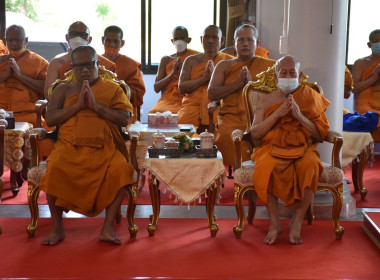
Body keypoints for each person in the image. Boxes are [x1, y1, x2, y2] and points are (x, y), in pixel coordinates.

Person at [40, 46, 135, 245]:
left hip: (105, 149)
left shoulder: (112, 88)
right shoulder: (62, 89)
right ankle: (58, 228)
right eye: (79, 66)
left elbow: (124, 118)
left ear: (97, 64)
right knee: (54, 170)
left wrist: (96, 107)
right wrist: (77, 107)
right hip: (69, 148)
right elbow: (50, 119)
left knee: (123, 170)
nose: (84, 70)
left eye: (89, 64)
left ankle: (107, 228)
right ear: (72, 67)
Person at [250, 55, 330, 245]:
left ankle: (297, 221)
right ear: (276, 77)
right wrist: (277, 115)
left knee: (310, 165)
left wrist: (300, 116)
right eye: (283, 73)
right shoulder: (265, 100)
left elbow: (320, 135)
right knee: (266, 166)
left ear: (300, 75)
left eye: (292, 72)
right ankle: (275, 223)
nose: (287, 76)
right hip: (270, 147)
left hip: (303, 148)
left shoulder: (311, 97)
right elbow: (255, 134)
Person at [208, 24, 275, 166]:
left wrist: (251, 86)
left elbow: (277, 94)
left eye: (250, 40)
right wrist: (237, 85)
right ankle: (239, 177)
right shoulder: (223, 65)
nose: (245, 44)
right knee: (228, 137)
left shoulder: (270, 67)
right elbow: (211, 93)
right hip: (231, 119)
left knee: (271, 138)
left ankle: (261, 176)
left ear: (257, 44)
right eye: (241, 40)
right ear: (234, 43)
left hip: (260, 118)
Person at [177, 25, 233, 130]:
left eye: (214, 37)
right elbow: (181, 87)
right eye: (206, 37)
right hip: (193, 107)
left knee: (222, 128)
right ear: (201, 40)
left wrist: (214, 80)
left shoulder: (229, 62)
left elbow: (231, 88)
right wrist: (203, 79)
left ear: (222, 41)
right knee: (183, 129)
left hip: (218, 106)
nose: (210, 41)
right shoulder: (190, 61)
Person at [44, 21, 116, 99]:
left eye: (83, 35)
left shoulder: (104, 63)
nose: (78, 38)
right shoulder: (56, 63)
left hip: (98, 103)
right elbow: (48, 92)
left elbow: (113, 90)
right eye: (74, 34)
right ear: (67, 37)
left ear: (90, 39)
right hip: (67, 105)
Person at [0, 25, 48, 126]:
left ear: (26, 40)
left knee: (44, 141)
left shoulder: (38, 62)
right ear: (5, 41)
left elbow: (46, 88)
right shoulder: (1, 62)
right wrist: (4, 76)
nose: (14, 43)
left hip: (27, 113)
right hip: (1, 114)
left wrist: (21, 77)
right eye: (10, 40)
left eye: (18, 40)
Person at [149, 26, 199, 114]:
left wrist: (185, 70)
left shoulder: (195, 58)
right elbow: (157, 87)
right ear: (172, 41)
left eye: (182, 38)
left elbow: (197, 81)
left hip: (186, 97)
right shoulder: (166, 60)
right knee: (154, 112)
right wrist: (173, 72)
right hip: (168, 98)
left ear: (188, 40)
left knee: (181, 116)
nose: (179, 41)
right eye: (176, 38)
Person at [102, 25, 145, 124]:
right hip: (99, 106)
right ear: (103, 40)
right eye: (108, 40)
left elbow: (138, 94)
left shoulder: (131, 65)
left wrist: (118, 85)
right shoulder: (95, 61)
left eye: (116, 41)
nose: (112, 44)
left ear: (122, 43)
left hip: (122, 109)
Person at [352, 29, 380, 139]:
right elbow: (354, 88)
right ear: (369, 44)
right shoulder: (361, 63)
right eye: (376, 41)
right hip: (366, 102)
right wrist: (374, 77)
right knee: (366, 116)